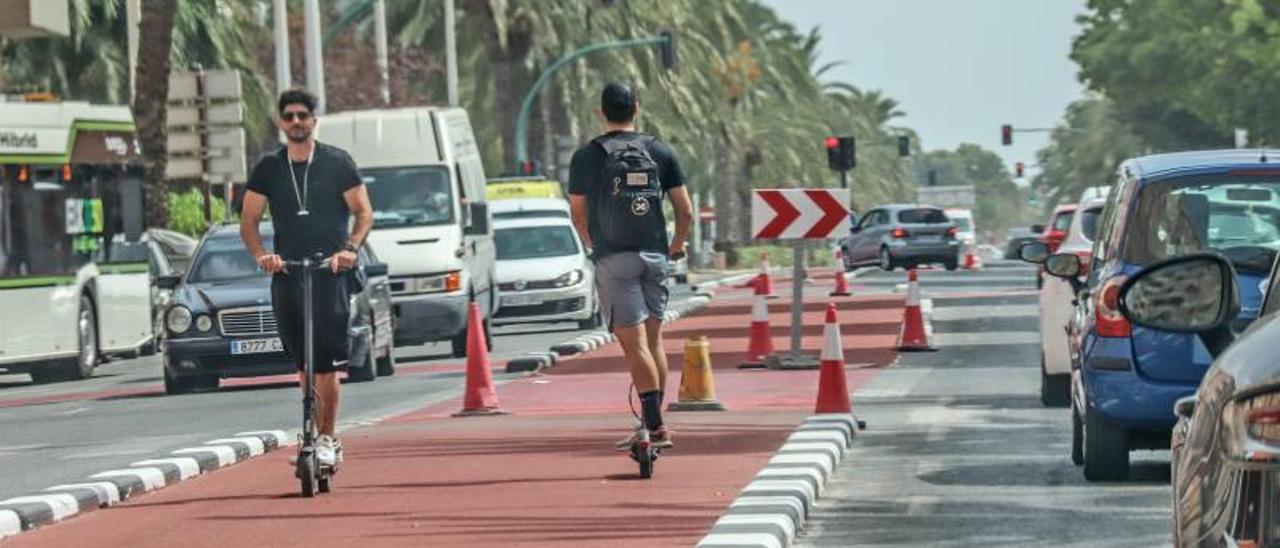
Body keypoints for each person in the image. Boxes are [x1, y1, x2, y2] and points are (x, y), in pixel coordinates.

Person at [240, 88, 374, 468]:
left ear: (314, 120)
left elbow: (364, 213)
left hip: (329, 272)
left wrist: (349, 250)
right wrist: (262, 256)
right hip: (288, 272)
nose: (296, 122)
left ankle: (329, 437)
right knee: (303, 362)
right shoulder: (269, 167)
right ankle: (311, 433)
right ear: (281, 123)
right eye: (289, 117)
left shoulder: (337, 162)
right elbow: (248, 221)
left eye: (302, 115)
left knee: (326, 363)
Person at [568, 82, 694, 450]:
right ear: (636, 108)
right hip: (656, 257)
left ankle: (653, 426)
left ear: (601, 112)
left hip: (614, 258)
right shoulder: (660, 151)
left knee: (634, 344)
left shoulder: (587, 157)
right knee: (654, 342)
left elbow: (577, 213)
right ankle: (654, 421)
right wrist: (675, 246)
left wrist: (593, 244)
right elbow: (684, 210)